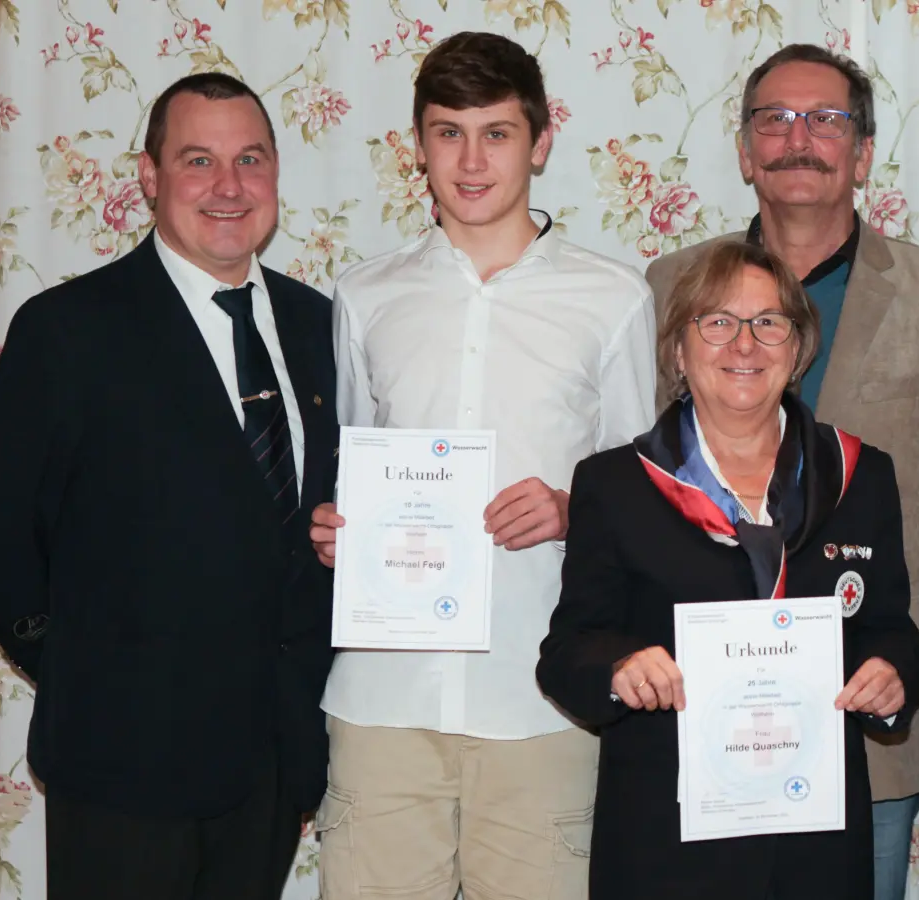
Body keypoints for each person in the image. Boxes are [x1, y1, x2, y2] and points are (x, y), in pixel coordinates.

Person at [643, 44, 919, 898]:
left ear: (864, 151)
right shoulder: (669, 288)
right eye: (773, 119)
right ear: (743, 151)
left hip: (867, 708)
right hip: (708, 709)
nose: (797, 138)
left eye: (826, 120)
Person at [306, 32, 656, 900]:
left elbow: (645, 501)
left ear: (540, 142)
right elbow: (354, 464)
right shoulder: (364, 294)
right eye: (447, 132)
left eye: (496, 133)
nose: (471, 159)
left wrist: (575, 510)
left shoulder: (614, 297)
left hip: (541, 702)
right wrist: (336, 532)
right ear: (417, 147)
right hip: (382, 701)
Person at [0, 73, 337, 900]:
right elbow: (5, 538)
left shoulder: (319, 323)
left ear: (277, 175)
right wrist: (81, 663)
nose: (229, 186)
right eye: (198, 160)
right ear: (149, 176)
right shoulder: (65, 330)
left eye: (250, 159)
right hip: (121, 765)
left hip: (272, 762)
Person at [537, 239, 919, 899]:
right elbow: (567, 650)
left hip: (814, 837)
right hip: (669, 836)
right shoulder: (614, 484)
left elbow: (892, 630)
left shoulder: (861, 475)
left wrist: (892, 676)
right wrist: (620, 667)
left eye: (768, 323)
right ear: (677, 352)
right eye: (717, 323)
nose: (744, 345)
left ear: (800, 348)